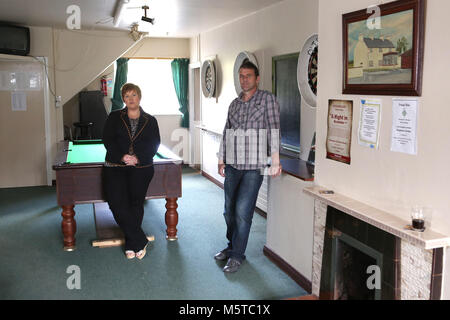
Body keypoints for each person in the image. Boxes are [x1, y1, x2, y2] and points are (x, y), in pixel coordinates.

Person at [216, 60, 282, 273]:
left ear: (257, 78)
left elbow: (273, 130)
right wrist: (221, 158)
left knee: (242, 212)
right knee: (228, 212)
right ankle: (231, 246)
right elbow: (227, 131)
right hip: (233, 165)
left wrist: (276, 161)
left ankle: (237, 255)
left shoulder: (267, 100)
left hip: (254, 167)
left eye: (248, 76)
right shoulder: (234, 104)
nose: (244, 79)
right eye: (241, 76)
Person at [102, 83, 160, 260]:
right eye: (127, 96)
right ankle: (140, 239)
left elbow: (154, 143)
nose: (131, 99)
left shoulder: (150, 120)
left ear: (139, 97)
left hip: (141, 168)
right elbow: (107, 140)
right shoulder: (114, 117)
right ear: (123, 99)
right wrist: (123, 157)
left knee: (135, 204)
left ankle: (131, 244)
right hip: (116, 167)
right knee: (116, 203)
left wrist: (138, 158)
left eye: (134, 95)